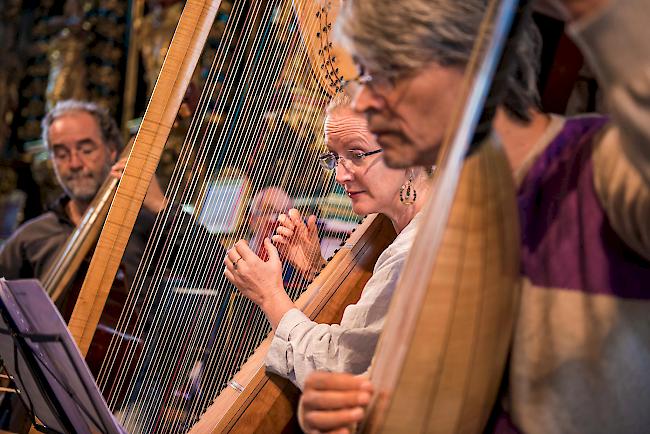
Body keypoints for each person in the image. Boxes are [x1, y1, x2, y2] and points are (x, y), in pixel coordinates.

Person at [299, 0, 650, 432]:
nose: (366, 101)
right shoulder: (446, 218)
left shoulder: (603, 170)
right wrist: (346, 413)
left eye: (378, 75)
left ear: (456, 61)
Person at [223, 94, 433, 388]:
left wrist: (269, 295)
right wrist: (315, 269)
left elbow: (341, 368)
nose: (339, 175)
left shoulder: (413, 254)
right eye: (334, 158)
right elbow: (372, 332)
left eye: (357, 155)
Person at [0, 99, 167, 432]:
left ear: (111, 151)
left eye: (86, 148)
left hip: (131, 401)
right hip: (41, 404)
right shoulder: (31, 237)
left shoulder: (150, 225)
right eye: (61, 153)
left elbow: (216, 264)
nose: (74, 163)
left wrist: (160, 205)